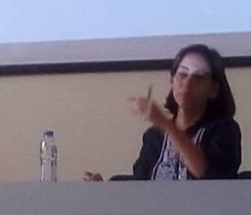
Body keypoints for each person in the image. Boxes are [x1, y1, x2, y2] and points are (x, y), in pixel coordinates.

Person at [84, 44, 241, 181]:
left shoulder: (224, 130)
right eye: (183, 74)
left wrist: (166, 124)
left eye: (199, 76)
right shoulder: (154, 136)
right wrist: (104, 190)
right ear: (172, 80)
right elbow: (139, 189)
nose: (188, 83)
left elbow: (211, 178)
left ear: (213, 89)